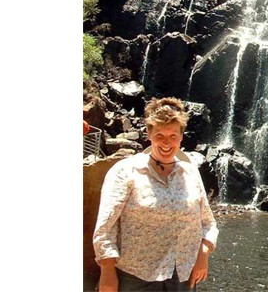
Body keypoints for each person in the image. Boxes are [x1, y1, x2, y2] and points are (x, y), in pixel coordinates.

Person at [93, 97, 218, 291]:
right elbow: (105, 227)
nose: (166, 143)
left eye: (173, 136)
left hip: (182, 277)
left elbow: (208, 222)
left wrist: (203, 255)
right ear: (149, 134)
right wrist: (107, 273)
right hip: (137, 277)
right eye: (160, 135)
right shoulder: (125, 171)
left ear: (181, 137)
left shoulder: (190, 171)